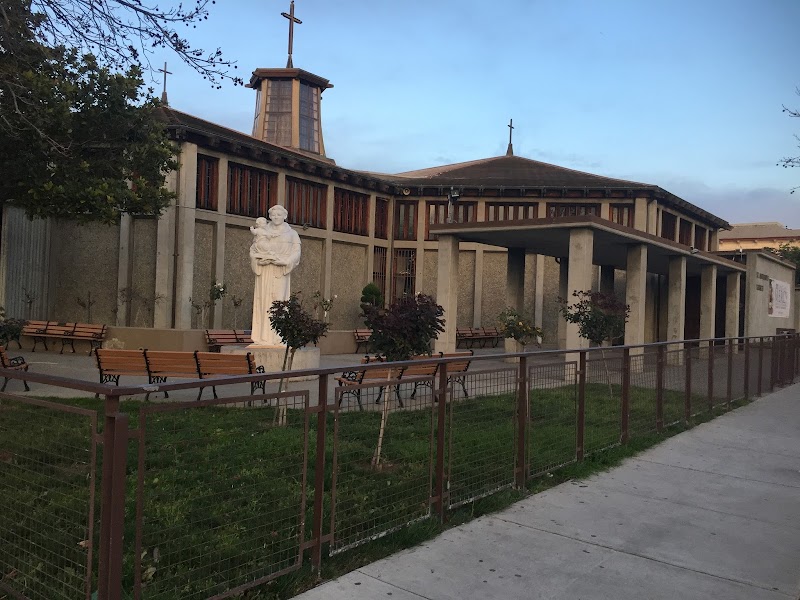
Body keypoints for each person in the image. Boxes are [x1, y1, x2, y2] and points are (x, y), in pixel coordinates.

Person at [249, 205, 301, 345]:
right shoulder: (262, 231)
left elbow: (296, 253)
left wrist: (285, 261)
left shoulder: (292, 234)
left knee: (279, 303)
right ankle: (262, 337)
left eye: (279, 214)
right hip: (265, 271)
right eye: (274, 215)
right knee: (263, 302)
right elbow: (254, 249)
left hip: (280, 271)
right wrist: (258, 259)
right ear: (270, 216)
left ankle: (278, 337)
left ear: (285, 216)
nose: (276, 217)